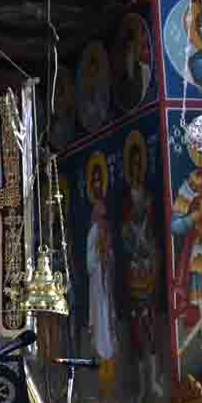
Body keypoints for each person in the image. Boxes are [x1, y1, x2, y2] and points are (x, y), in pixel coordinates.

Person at [121, 138, 163, 401]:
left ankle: (154, 380)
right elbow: (124, 232)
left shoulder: (149, 197)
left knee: (151, 324)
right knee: (137, 326)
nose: (136, 169)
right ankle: (141, 385)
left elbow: (154, 231)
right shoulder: (128, 200)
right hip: (135, 267)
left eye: (139, 165)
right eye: (133, 165)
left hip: (148, 266)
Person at [84, 157, 118, 384]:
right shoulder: (93, 231)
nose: (101, 215)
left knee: (109, 317)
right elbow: (89, 261)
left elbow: (112, 254)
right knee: (100, 318)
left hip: (107, 280)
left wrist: (109, 255)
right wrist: (100, 257)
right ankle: (102, 365)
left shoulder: (106, 229)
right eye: (99, 213)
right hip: (97, 281)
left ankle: (110, 365)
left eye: (104, 214)